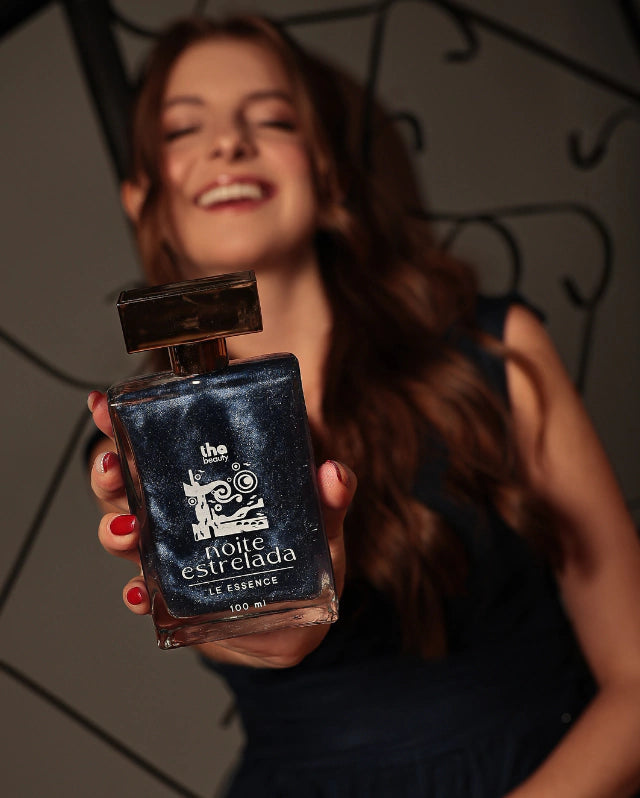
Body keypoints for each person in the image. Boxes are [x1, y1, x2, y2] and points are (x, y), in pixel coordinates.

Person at [87, 14, 640, 798]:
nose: (228, 144)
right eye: (184, 130)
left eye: (272, 119)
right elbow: (261, 640)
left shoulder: (495, 352)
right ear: (142, 197)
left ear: (329, 172)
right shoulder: (144, 439)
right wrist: (273, 622)